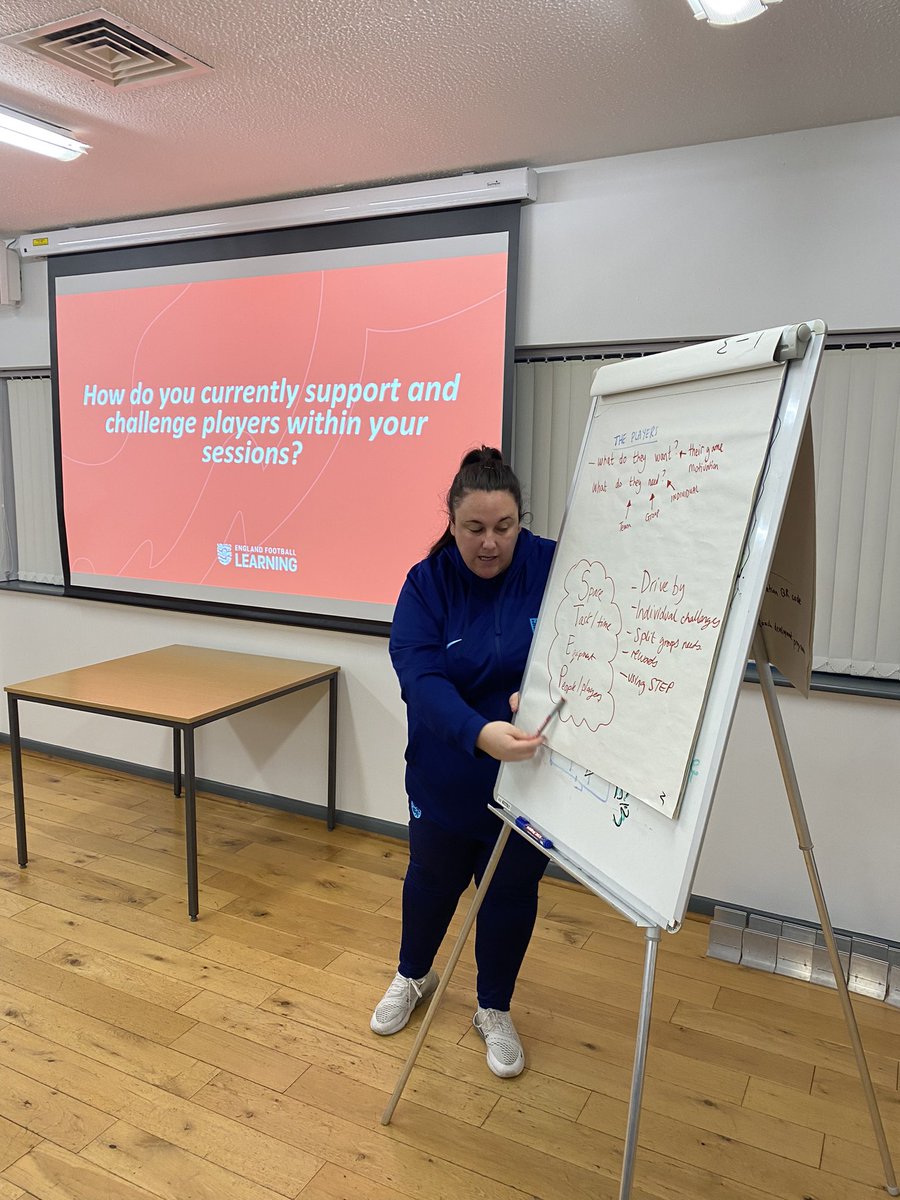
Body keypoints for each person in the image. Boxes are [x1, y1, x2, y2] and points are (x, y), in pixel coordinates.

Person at [370, 446, 555, 1078]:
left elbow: (594, 642)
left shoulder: (552, 565)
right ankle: (412, 976)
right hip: (447, 772)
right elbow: (419, 678)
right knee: (431, 882)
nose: (490, 543)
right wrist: (480, 732)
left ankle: (493, 1008)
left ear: (521, 521)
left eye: (504, 527)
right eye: (474, 528)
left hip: (527, 781)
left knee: (509, 895)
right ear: (450, 524)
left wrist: (540, 685)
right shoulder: (427, 584)